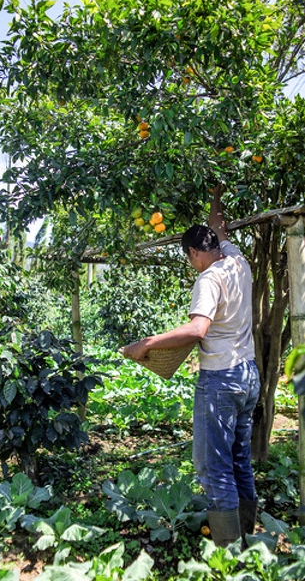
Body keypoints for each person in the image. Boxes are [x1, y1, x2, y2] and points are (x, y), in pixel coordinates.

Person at [122, 184, 260, 548]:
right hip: (248, 374)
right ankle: (247, 534)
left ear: (194, 253)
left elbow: (198, 328)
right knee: (238, 459)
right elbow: (220, 225)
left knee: (213, 467)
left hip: (220, 380)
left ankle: (229, 552)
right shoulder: (235, 260)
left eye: (190, 257)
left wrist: (146, 345)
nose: (192, 263)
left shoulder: (209, 278)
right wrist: (215, 196)